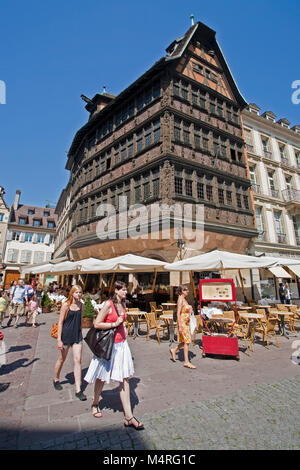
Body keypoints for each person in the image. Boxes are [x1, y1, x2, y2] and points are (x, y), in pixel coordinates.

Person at [84, 281, 144, 429]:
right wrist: (114, 324)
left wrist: (122, 326)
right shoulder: (108, 304)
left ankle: (129, 417)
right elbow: (97, 323)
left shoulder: (122, 304)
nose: (126, 292)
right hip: (109, 345)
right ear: (116, 290)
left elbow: (121, 322)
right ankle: (95, 403)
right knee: (102, 377)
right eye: (123, 290)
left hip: (122, 344)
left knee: (125, 378)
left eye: (125, 290)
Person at [53, 285, 87, 400]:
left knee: (78, 360)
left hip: (77, 336)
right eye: (77, 292)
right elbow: (61, 322)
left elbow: (81, 320)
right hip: (66, 336)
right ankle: (56, 379)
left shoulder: (82, 305)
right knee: (62, 359)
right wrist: (59, 340)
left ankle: (78, 389)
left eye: (80, 292)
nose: (79, 294)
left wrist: (80, 332)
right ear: (72, 293)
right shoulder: (66, 305)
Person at [170, 285, 196, 369]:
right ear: (181, 291)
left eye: (187, 290)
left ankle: (174, 350)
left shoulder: (184, 299)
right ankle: (186, 361)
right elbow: (178, 313)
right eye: (186, 290)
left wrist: (190, 310)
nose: (187, 291)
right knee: (187, 341)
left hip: (186, 322)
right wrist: (180, 326)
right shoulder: (180, 299)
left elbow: (185, 311)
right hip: (183, 323)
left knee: (185, 341)